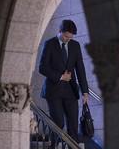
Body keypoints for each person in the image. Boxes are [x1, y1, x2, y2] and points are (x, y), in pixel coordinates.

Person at [39, 19, 89, 147]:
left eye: (70, 37)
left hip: (70, 91)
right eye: (66, 36)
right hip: (53, 90)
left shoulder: (75, 45)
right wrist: (61, 77)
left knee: (73, 126)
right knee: (58, 124)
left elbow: (80, 69)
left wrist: (85, 91)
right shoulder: (49, 44)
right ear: (60, 31)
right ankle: (55, 146)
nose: (68, 39)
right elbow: (42, 67)